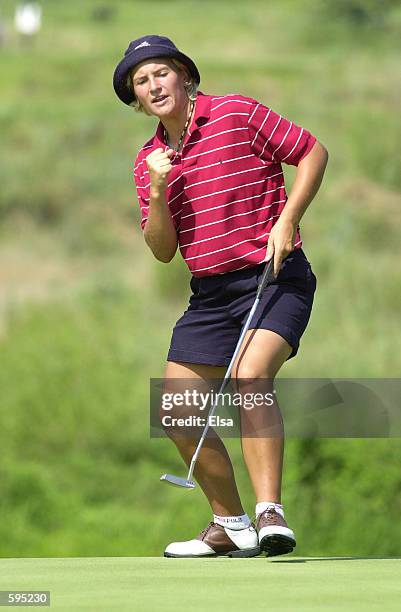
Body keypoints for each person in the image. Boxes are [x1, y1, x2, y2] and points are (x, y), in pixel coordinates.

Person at [113, 35, 328, 558]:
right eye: (141, 82)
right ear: (137, 101)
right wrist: (161, 190)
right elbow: (162, 250)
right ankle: (230, 525)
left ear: (185, 75)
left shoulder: (235, 111)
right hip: (210, 295)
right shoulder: (149, 161)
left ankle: (270, 512)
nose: (153, 85)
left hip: (274, 277)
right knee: (175, 411)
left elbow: (312, 152)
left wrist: (288, 219)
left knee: (251, 376)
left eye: (160, 73)